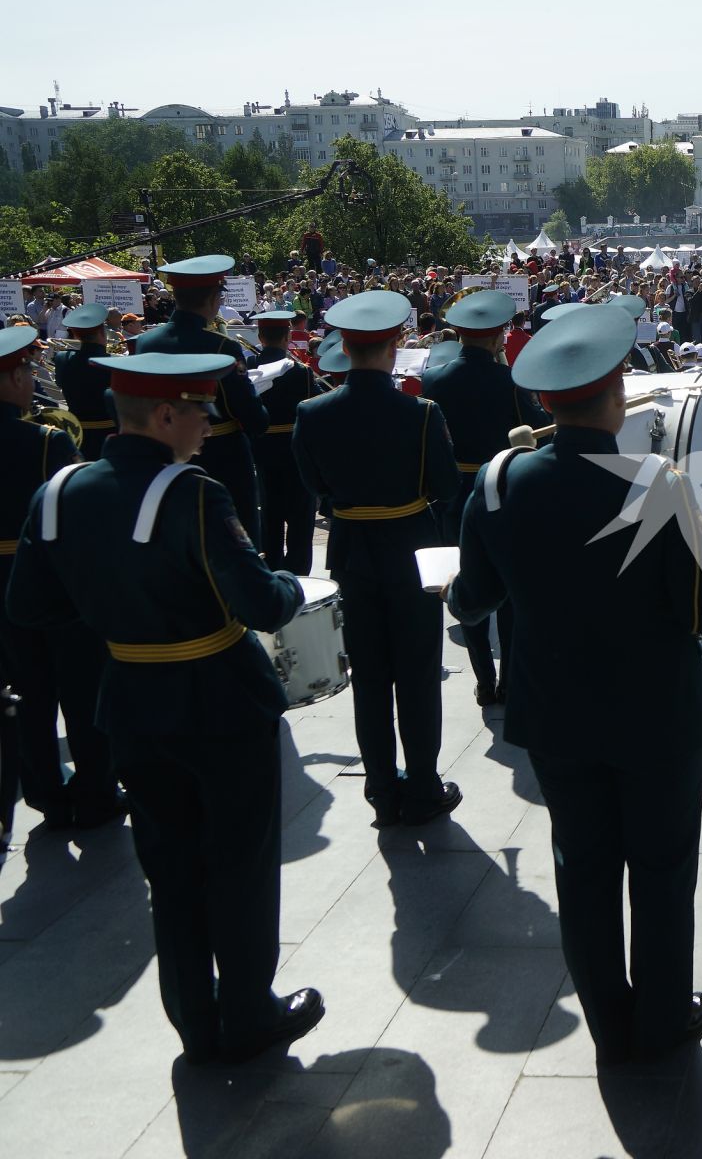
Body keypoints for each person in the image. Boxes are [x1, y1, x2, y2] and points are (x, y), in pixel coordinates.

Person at [447, 305, 702, 1066]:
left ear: (544, 400)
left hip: (556, 715)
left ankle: (610, 1026)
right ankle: (663, 1017)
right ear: (617, 393)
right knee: (663, 870)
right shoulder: (662, 485)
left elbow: (470, 601)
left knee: (582, 871)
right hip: (658, 719)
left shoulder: (499, 482)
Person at [8, 350, 324, 1063]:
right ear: (164, 416)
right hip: (221, 701)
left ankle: (192, 1016)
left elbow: (31, 606)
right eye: (199, 414)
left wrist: (120, 612)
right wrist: (288, 582)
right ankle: (248, 1010)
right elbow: (263, 603)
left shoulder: (58, 492)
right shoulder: (192, 493)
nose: (207, 428)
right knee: (239, 863)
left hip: (129, 702)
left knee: (170, 868)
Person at [293, 291, 463, 827]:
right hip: (411, 551)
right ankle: (424, 785)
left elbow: (313, 484)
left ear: (343, 346)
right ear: (394, 348)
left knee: (369, 678)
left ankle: (381, 790)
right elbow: (445, 487)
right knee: (416, 674)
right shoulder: (421, 414)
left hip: (351, 551)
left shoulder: (312, 412)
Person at [0, 326, 116, 835]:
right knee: (79, 686)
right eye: (24, 371)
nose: (30, 379)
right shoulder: (46, 441)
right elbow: (69, 514)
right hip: (50, 578)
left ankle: (44, 793)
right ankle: (94, 793)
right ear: (6, 380)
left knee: (26, 694)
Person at [420, 290, 551, 707]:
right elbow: (538, 426)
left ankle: (483, 677)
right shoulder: (508, 381)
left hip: (455, 494)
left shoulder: (434, 379)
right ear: (497, 337)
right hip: (501, 489)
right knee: (509, 590)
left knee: (466, 583)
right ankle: (510, 679)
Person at [134, 256, 269, 543]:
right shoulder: (221, 346)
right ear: (213, 297)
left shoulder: (147, 342)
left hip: (163, 456)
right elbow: (249, 414)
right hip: (222, 457)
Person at [247, 310, 321, 575]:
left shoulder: (248, 368)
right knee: (301, 520)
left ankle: (271, 569)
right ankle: (299, 575)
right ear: (288, 336)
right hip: (295, 451)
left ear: (260, 336)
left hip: (262, 451)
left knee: (270, 516)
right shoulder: (300, 371)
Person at [53, 300, 116, 460]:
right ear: (102, 332)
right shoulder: (114, 363)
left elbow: (60, 384)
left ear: (75, 334)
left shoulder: (62, 359)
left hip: (76, 435)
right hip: (109, 436)